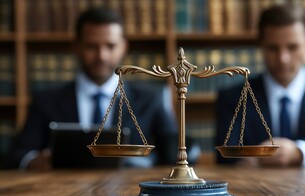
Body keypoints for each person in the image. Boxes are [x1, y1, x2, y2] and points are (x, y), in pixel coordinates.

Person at [7, 7, 181, 170]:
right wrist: (34, 161)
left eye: (110, 46)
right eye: (91, 46)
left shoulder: (151, 99)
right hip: (63, 195)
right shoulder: (46, 101)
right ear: (76, 47)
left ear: (123, 47)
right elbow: (17, 155)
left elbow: (173, 154)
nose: (101, 56)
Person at [216, 4, 305, 167]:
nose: (283, 58)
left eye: (292, 47)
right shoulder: (232, 98)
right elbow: (223, 158)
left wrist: (300, 152)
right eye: (273, 48)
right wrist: (256, 159)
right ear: (260, 45)